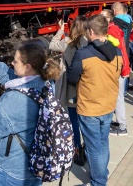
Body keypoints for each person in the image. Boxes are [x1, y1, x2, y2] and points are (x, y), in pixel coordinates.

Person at [0, 39, 61, 185]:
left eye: (15, 62)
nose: (12, 64)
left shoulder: (14, 99)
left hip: (10, 171)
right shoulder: (46, 83)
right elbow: (10, 76)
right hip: (36, 164)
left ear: (28, 67)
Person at [68, 15, 122, 186]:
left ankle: (98, 181)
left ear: (91, 31)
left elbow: (71, 78)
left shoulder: (83, 54)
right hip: (108, 105)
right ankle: (102, 172)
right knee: (103, 141)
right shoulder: (118, 52)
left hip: (89, 107)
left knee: (93, 147)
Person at [48, 15, 86, 165]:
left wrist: (60, 30)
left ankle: (76, 149)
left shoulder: (68, 42)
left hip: (71, 89)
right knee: (85, 121)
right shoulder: (89, 43)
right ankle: (86, 149)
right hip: (84, 87)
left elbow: (52, 44)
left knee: (74, 121)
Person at [100, 10, 130, 136]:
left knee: (118, 98)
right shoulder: (114, 29)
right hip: (120, 67)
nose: (99, 18)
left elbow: (117, 52)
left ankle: (122, 126)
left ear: (108, 19)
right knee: (116, 97)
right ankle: (118, 122)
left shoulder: (111, 31)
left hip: (118, 69)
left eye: (102, 16)